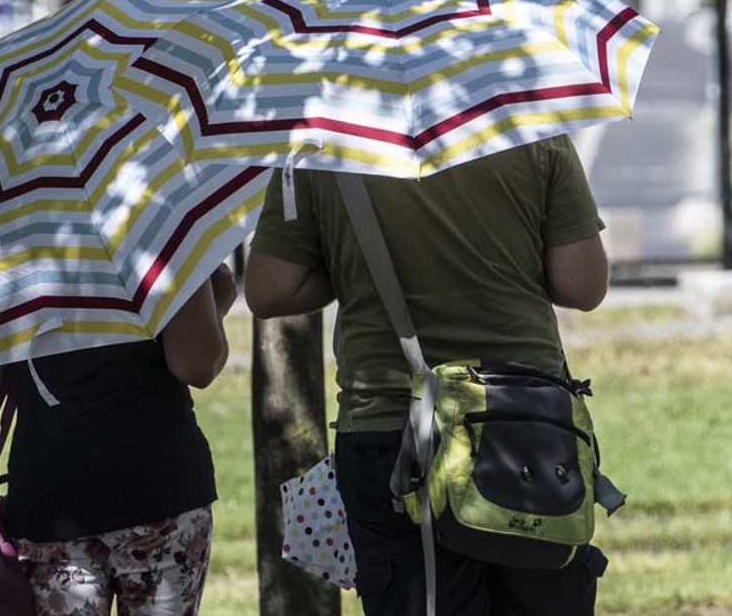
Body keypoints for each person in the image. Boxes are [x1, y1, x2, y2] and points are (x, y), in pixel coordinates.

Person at [244, 135, 611, 616]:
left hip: (393, 432)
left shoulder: (324, 142)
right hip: (527, 423)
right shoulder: (530, 128)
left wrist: (355, 266)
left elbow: (270, 290)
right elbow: (583, 286)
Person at [0, 263, 237, 616]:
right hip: (158, 489)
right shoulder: (159, 242)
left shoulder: (7, 251)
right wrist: (220, 303)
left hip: (49, 495)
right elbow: (196, 364)